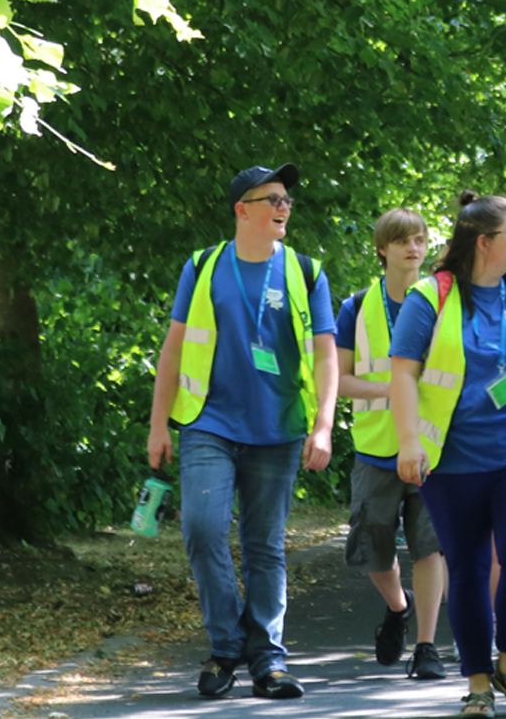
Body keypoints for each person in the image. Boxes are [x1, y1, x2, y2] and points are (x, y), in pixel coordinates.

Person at [147, 163, 338, 699]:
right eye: (272, 198)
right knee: (204, 530)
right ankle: (226, 645)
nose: (283, 207)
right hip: (208, 421)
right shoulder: (203, 266)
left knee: (264, 547)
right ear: (242, 209)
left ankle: (268, 660)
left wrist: (323, 426)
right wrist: (159, 424)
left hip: (277, 429)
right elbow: (174, 348)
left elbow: (326, 356)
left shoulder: (305, 271)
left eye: (287, 200)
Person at [390, 191, 506, 718]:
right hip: (452, 460)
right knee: (466, 568)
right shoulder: (430, 298)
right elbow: (402, 373)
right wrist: (409, 441)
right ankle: (479, 684)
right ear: (484, 242)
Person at [335, 207, 447, 679]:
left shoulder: (445, 302)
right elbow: (338, 380)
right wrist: (391, 390)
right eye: (403, 240)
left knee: (430, 546)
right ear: (383, 249)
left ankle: (426, 646)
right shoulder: (356, 308)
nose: (414, 248)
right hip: (375, 447)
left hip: (433, 447)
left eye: (420, 239)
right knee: (373, 549)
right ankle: (397, 609)